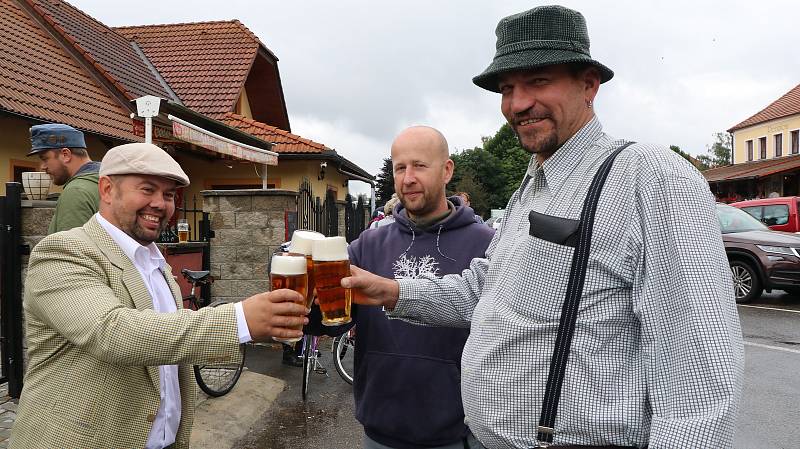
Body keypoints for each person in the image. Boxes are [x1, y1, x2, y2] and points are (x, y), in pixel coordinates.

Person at [343, 6, 743, 449]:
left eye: (538, 81)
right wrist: (391, 292)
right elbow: (484, 290)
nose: (517, 104)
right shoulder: (531, 187)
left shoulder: (649, 176)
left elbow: (700, 380)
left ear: (589, 84)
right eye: (507, 88)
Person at [10, 143, 309, 449]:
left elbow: (169, 344)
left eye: (168, 195)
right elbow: (114, 333)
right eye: (148, 189)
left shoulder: (155, 263)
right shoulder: (63, 252)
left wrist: (262, 327)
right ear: (107, 189)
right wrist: (239, 321)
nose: (160, 204)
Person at [321, 126, 495, 449]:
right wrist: (309, 302)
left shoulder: (485, 244)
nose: (408, 178)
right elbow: (334, 319)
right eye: (400, 167)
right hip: (380, 432)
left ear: (447, 170)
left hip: (456, 435)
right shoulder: (369, 244)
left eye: (419, 165)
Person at [27, 123, 101, 233]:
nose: (42, 167)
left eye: (45, 158)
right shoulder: (108, 180)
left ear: (65, 155)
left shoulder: (76, 192)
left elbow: (70, 248)